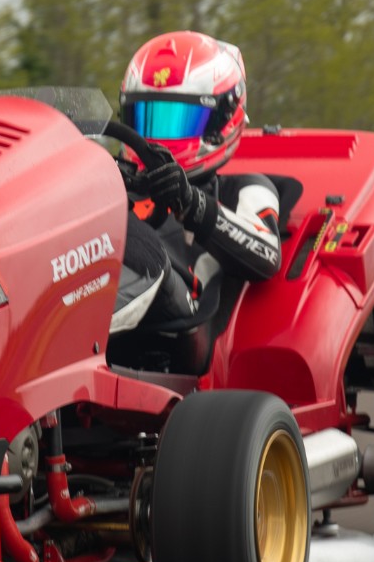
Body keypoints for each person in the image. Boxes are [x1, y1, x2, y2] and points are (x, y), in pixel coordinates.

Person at [110, 31, 283, 338]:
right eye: (145, 118)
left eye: (176, 121)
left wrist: (190, 202)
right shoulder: (113, 178)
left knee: (132, 238)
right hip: (98, 296)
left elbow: (267, 253)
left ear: (223, 121)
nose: (156, 138)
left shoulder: (244, 188)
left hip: (177, 326)